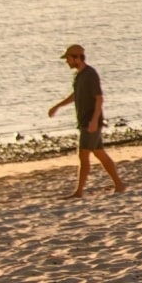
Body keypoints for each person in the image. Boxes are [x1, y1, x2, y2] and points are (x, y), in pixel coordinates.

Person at [49, 44, 126, 198]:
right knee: (100, 154)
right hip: (86, 121)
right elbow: (75, 95)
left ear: (77, 58)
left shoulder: (91, 74)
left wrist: (94, 121)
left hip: (90, 122)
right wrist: (57, 106)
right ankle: (119, 184)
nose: (67, 62)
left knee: (83, 155)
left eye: (68, 58)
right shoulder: (79, 75)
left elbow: (99, 99)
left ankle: (79, 192)